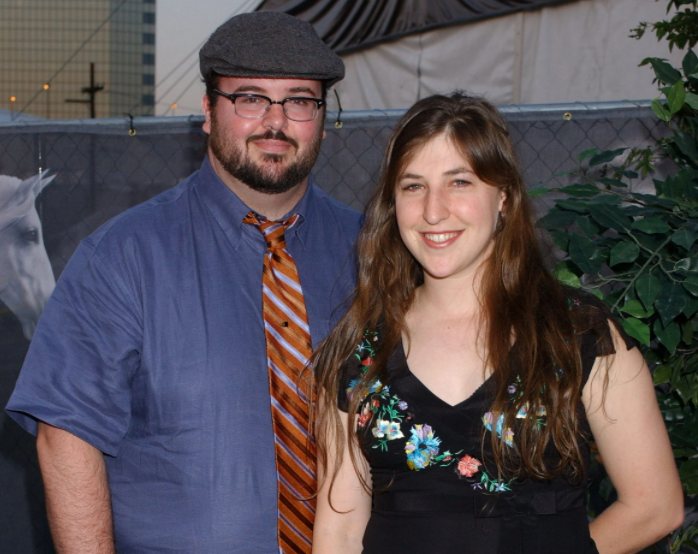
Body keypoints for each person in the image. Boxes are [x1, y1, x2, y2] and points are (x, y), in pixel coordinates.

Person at [6, 11, 362, 554]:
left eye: (299, 99)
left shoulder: (372, 252)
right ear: (207, 111)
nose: (275, 120)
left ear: (321, 115)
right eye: (250, 97)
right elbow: (66, 434)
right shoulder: (122, 257)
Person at [310, 93, 683, 554]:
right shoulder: (357, 350)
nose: (432, 211)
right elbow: (339, 533)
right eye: (413, 186)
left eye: (459, 182)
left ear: (503, 196)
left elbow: (655, 505)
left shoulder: (579, 334)